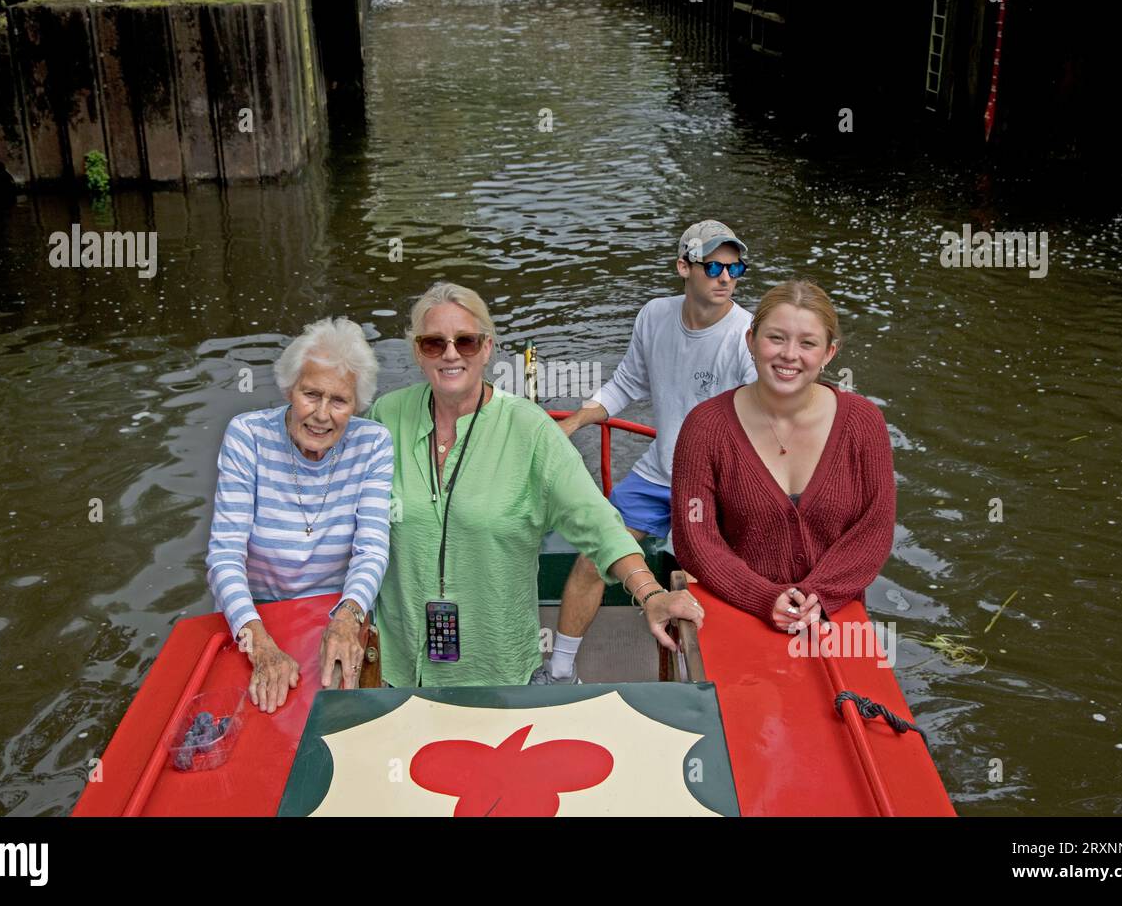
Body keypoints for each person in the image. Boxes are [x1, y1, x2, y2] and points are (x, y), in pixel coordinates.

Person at [367, 282, 704, 688]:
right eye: (434, 343)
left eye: (467, 342)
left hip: (498, 669)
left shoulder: (531, 430)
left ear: (488, 348)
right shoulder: (386, 416)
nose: (451, 353)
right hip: (399, 664)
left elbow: (598, 524)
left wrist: (652, 594)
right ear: (418, 353)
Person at [539, 220, 756, 683]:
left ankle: (703, 688)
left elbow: (761, 425)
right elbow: (627, 384)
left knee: (700, 582)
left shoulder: (747, 338)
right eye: (714, 265)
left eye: (735, 266)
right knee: (594, 555)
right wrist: (576, 421)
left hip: (716, 485)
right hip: (658, 473)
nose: (726, 277)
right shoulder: (655, 315)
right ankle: (558, 671)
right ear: (684, 267)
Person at [671, 279, 895, 631]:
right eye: (776, 338)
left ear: (828, 354)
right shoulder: (705, 427)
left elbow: (875, 528)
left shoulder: (863, 423)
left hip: (833, 621)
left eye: (807, 343)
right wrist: (762, 596)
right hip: (736, 616)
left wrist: (818, 595)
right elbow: (695, 536)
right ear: (751, 341)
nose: (789, 354)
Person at [205, 317, 393, 713]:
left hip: (335, 611)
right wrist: (258, 642)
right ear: (290, 388)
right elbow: (225, 557)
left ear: (356, 405)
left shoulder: (373, 444)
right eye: (311, 394)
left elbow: (371, 550)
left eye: (339, 401)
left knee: (337, 724)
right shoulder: (247, 437)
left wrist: (348, 616)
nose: (322, 414)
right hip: (257, 615)